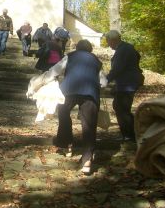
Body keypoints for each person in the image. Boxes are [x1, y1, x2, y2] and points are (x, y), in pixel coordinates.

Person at [54, 39, 102, 174]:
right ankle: (87, 160)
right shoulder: (96, 60)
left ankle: (67, 144)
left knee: (63, 113)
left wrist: (41, 81)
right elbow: (103, 81)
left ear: (77, 47)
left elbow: (55, 71)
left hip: (69, 90)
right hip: (90, 93)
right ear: (90, 49)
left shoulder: (70, 56)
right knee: (89, 125)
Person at [105, 30, 144, 142]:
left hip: (127, 84)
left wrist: (106, 80)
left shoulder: (123, 50)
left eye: (108, 41)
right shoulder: (127, 47)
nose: (108, 44)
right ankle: (130, 134)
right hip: (128, 82)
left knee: (122, 108)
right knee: (120, 107)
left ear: (112, 40)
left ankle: (130, 135)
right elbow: (137, 57)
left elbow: (117, 69)